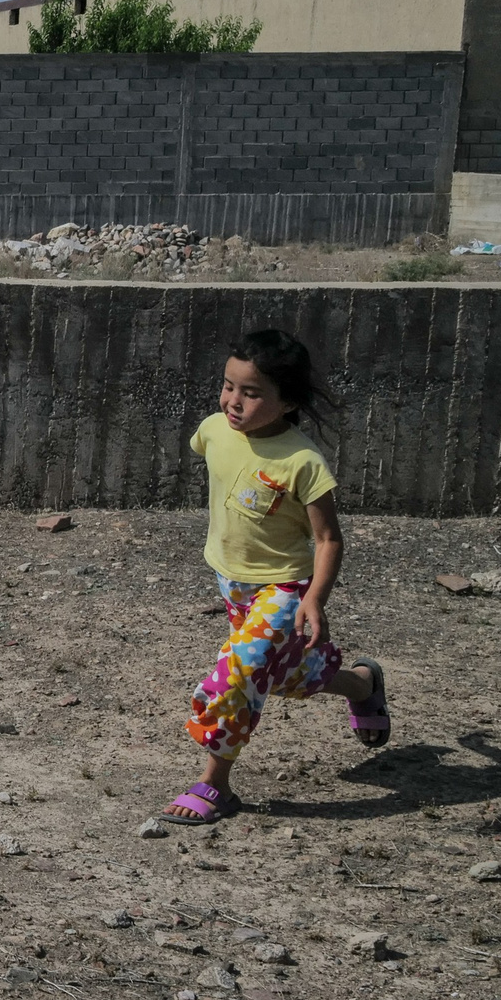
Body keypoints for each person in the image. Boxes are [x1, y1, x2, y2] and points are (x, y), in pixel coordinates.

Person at [159, 329, 389, 825]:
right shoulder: (214, 430)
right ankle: (363, 686)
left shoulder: (302, 462)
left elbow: (329, 539)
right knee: (281, 675)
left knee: (240, 670)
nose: (233, 401)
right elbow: (214, 453)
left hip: (284, 588)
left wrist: (314, 601)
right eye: (228, 386)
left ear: (288, 402)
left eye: (252, 392)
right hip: (233, 584)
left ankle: (214, 784)